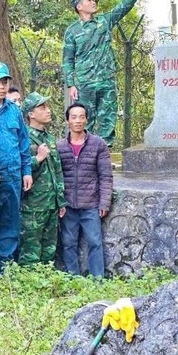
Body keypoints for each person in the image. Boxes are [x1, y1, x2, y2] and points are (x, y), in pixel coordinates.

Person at [63, 0, 156, 147]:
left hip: (106, 79)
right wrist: (71, 84)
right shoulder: (72, 31)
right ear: (79, 6)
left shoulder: (104, 21)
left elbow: (124, 6)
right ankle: (84, 155)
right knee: (84, 120)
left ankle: (104, 154)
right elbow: (67, 60)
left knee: (108, 118)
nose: (93, 1)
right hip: (85, 82)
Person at [0, 62, 46, 276]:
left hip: (13, 176)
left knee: (10, 222)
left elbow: (23, 143)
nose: (1, 86)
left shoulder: (14, 111)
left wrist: (26, 170)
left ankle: (5, 269)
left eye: (5, 82)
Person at [56, 102, 114, 277]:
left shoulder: (98, 144)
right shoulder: (59, 146)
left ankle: (98, 279)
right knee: (68, 243)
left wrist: (104, 202)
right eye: (74, 117)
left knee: (95, 242)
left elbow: (105, 176)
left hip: (91, 204)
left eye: (81, 117)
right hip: (68, 206)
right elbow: (57, 178)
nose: (78, 121)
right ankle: (73, 278)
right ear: (67, 121)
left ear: (87, 119)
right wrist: (59, 202)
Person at [18, 93, 66, 268]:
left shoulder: (49, 138)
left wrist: (61, 200)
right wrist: (37, 159)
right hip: (33, 205)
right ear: (31, 114)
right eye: (42, 107)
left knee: (49, 249)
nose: (48, 111)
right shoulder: (24, 138)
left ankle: (47, 282)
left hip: (51, 203)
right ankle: (29, 284)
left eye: (47, 107)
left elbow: (57, 171)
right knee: (31, 249)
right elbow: (19, 169)